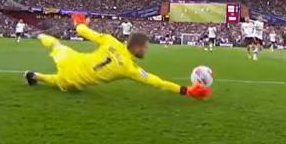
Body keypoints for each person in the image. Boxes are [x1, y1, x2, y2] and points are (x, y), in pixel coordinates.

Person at [24, 15, 211, 99]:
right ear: (136, 47)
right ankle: (35, 76)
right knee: (57, 81)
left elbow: (84, 31)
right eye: (144, 48)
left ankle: (38, 35)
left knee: (56, 45)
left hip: (72, 60)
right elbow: (156, 82)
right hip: (73, 83)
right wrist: (185, 91)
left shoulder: (110, 41)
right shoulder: (129, 69)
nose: (145, 51)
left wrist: (78, 23)